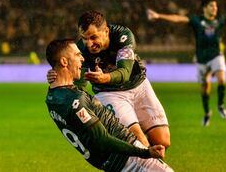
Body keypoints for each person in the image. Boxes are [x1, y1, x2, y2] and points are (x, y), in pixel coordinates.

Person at [45, 39, 173, 172]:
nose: (82, 59)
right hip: (129, 158)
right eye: (77, 55)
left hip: (110, 164)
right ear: (64, 61)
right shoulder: (76, 100)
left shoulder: (52, 98)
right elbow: (102, 139)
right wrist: (146, 153)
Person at [48, 10, 170, 148]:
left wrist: (105, 77)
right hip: (109, 93)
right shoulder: (81, 49)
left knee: (163, 142)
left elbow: (124, 73)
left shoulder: (122, 36)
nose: (88, 44)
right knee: (140, 142)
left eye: (93, 37)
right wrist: (59, 78)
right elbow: (78, 84)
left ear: (106, 31)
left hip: (139, 85)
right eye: (84, 38)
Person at [147, 0, 226, 126]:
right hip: (202, 59)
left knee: (221, 79)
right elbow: (178, 18)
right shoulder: (197, 20)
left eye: (216, 6)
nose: (215, 8)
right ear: (204, 8)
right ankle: (207, 112)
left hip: (216, 56)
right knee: (205, 88)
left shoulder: (220, 20)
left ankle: (220, 105)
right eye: (211, 6)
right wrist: (159, 16)